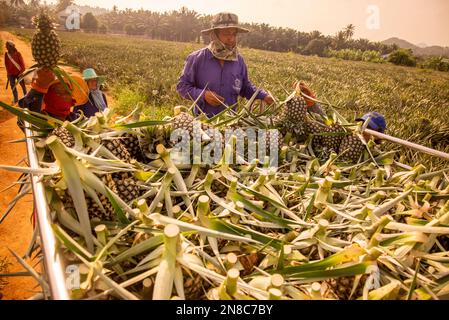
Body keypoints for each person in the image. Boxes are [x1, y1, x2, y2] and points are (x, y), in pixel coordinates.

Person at [177, 12, 274, 118]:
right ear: (214, 35)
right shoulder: (196, 58)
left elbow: (246, 87)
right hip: (202, 123)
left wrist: (264, 96)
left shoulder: (239, 61)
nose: (231, 39)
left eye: (234, 34)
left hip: (230, 123)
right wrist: (203, 95)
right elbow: (182, 86)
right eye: (226, 34)